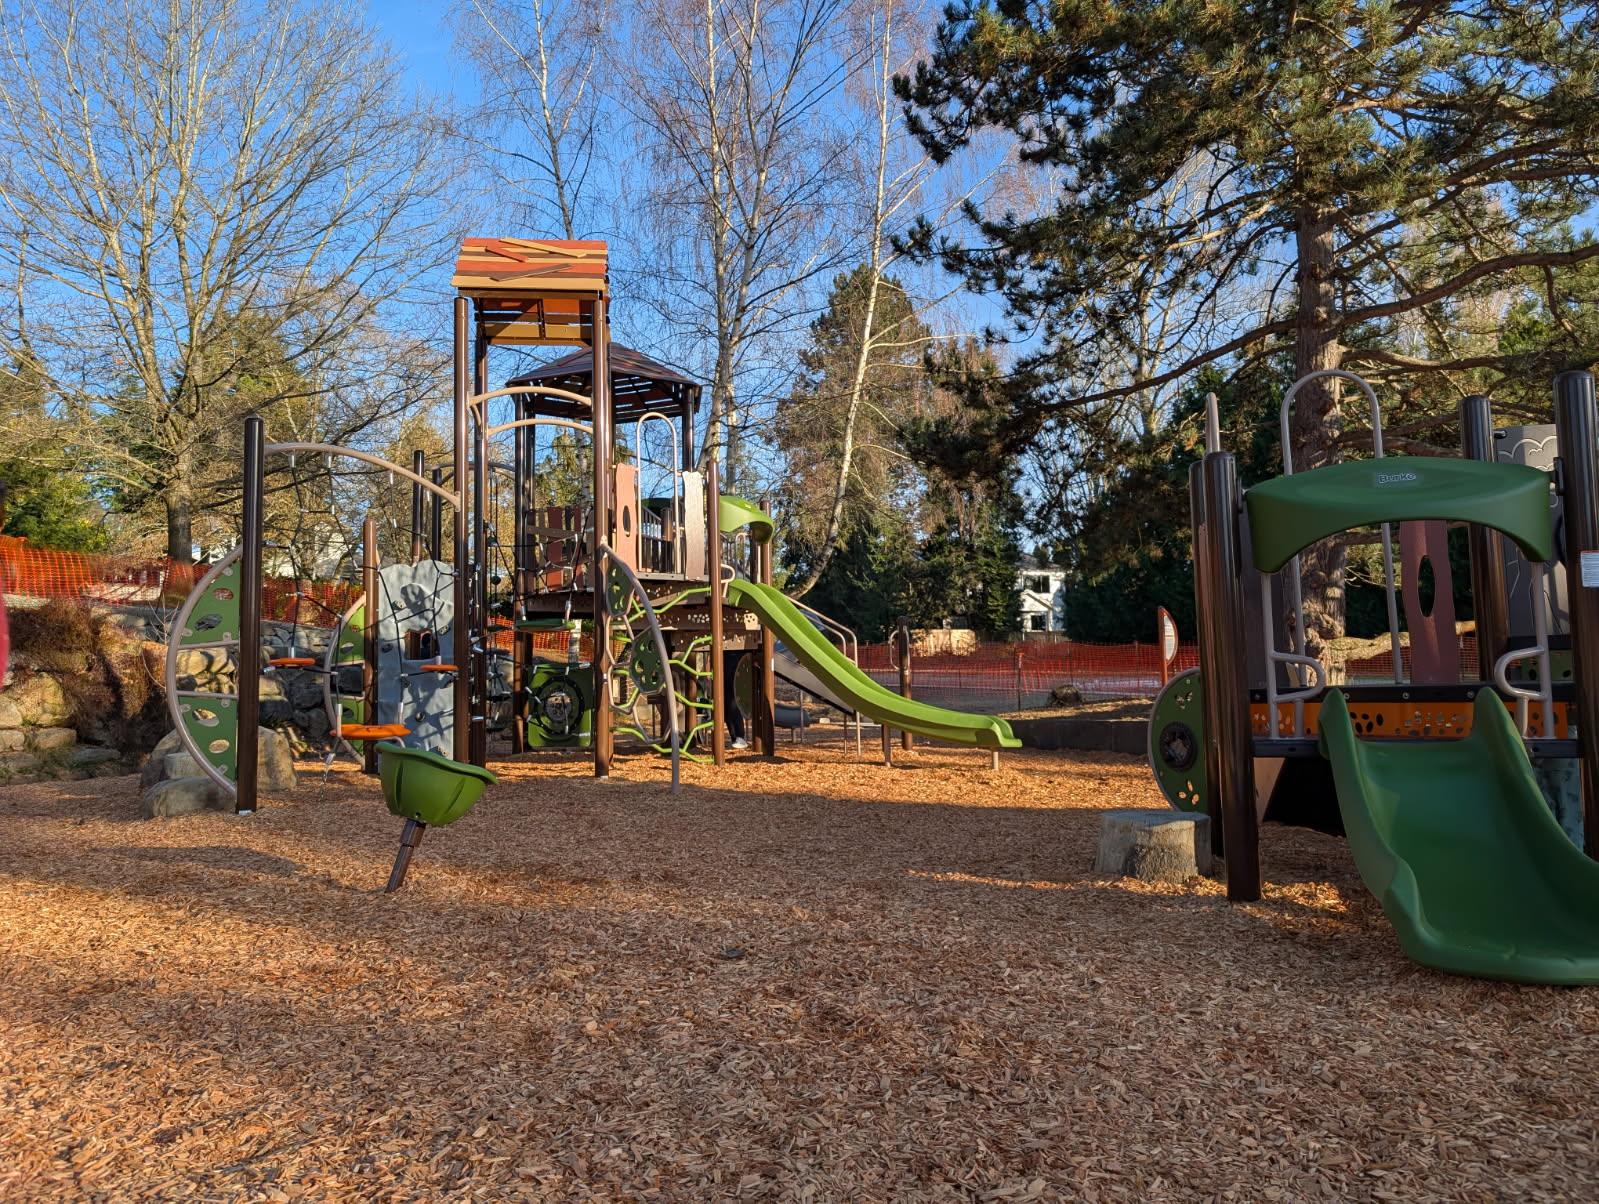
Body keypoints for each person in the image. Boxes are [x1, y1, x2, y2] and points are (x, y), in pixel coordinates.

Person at [723, 647, 749, 749]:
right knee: (727, 701)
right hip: (727, 653)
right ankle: (735, 737)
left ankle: (739, 736)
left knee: (732, 700)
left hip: (734, 654)